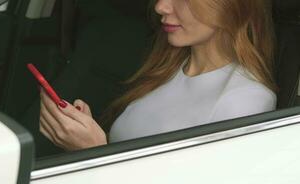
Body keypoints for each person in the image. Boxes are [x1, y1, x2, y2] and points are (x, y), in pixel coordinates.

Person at [38, 0, 277, 151]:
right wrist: (88, 134)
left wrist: (94, 151)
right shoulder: (167, 68)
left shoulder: (245, 101)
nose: (160, 6)